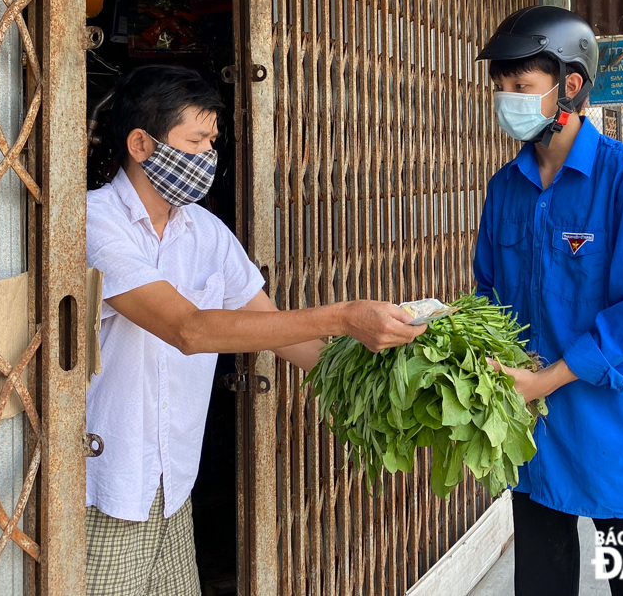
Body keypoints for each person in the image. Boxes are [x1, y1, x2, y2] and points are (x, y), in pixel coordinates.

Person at [83, 64, 425, 595]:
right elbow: (188, 329)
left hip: (172, 483)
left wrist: (395, 382)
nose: (207, 158)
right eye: (196, 141)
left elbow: (279, 332)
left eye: (212, 143)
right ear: (140, 144)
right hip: (108, 486)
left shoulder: (206, 232)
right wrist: (342, 315)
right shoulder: (93, 222)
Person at [473, 6, 623, 596]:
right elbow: (488, 293)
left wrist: (546, 379)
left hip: (615, 425)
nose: (507, 100)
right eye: (501, 87)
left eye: (521, 87)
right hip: (534, 429)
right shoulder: (504, 187)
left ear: (570, 85)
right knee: (541, 582)